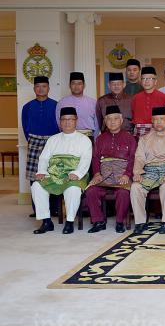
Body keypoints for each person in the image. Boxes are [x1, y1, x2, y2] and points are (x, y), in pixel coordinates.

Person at [31, 107, 92, 235]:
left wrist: (77, 173)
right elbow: (44, 158)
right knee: (37, 186)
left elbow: (86, 160)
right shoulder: (53, 139)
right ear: (60, 121)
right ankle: (46, 221)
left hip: (74, 174)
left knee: (73, 189)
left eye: (70, 119)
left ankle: (69, 222)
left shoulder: (84, 140)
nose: (67, 122)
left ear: (76, 120)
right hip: (54, 173)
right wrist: (42, 171)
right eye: (64, 119)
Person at [130, 107, 165, 234]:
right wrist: (137, 172)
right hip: (149, 171)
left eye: (162, 119)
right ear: (152, 121)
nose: (159, 122)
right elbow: (139, 158)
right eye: (156, 119)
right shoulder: (144, 138)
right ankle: (140, 222)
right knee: (136, 187)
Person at [84, 105, 137, 234]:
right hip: (104, 175)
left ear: (121, 120)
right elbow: (95, 158)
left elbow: (133, 158)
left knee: (123, 193)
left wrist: (127, 174)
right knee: (91, 191)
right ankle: (99, 221)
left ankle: (120, 222)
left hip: (122, 175)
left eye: (115, 118)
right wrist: (97, 174)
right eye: (109, 119)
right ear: (105, 121)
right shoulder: (100, 139)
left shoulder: (130, 138)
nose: (112, 122)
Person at [22, 76, 60, 217]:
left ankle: (54, 208)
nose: (41, 89)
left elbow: (60, 124)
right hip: (34, 142)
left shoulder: (56, 105)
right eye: (38, 86)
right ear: (34, 89)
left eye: (44, 86)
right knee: (35, 176)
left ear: (48, 88)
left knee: (54, 174)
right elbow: (25, 127)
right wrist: (33, 140)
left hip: (53, 142)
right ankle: (37, 209)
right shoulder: (27, 107)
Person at [55, 72, 100, 138]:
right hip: (68, 136)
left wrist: (94, 139)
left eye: (79, 84)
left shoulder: (93, 102)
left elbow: (97, 124)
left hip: (88, 136)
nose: (76, 86)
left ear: (84, 85)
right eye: (73, 83)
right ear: (69, 85)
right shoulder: (62, 102)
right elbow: (59, 122)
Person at [130, 66, 165, 139]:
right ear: (141, 81)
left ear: (155, 81)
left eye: (150, 79)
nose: (146, 81)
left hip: (158, 131)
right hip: (139, 133)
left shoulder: (163, 97)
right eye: (144, 79)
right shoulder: (135, 98)